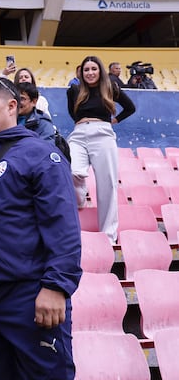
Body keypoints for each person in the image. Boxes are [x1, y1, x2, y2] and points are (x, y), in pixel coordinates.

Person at [0, 75, 91, 380]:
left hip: (30, 296)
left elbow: (64, 227)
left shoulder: (40, 153)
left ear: (12, 106)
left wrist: (56, 287)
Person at [67, 56, 135, 243]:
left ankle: (108, 237)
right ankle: (80, 197)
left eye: (93, 69)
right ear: (81, 73)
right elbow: (73, 114)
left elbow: (130, 108)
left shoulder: (110, 87)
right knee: (73, 170)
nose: (90, 73)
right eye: (86, 70)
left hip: (103, 134)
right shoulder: (74, 90)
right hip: (79, 133)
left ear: (100, 71)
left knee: (108, 186)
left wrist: (115, 120)